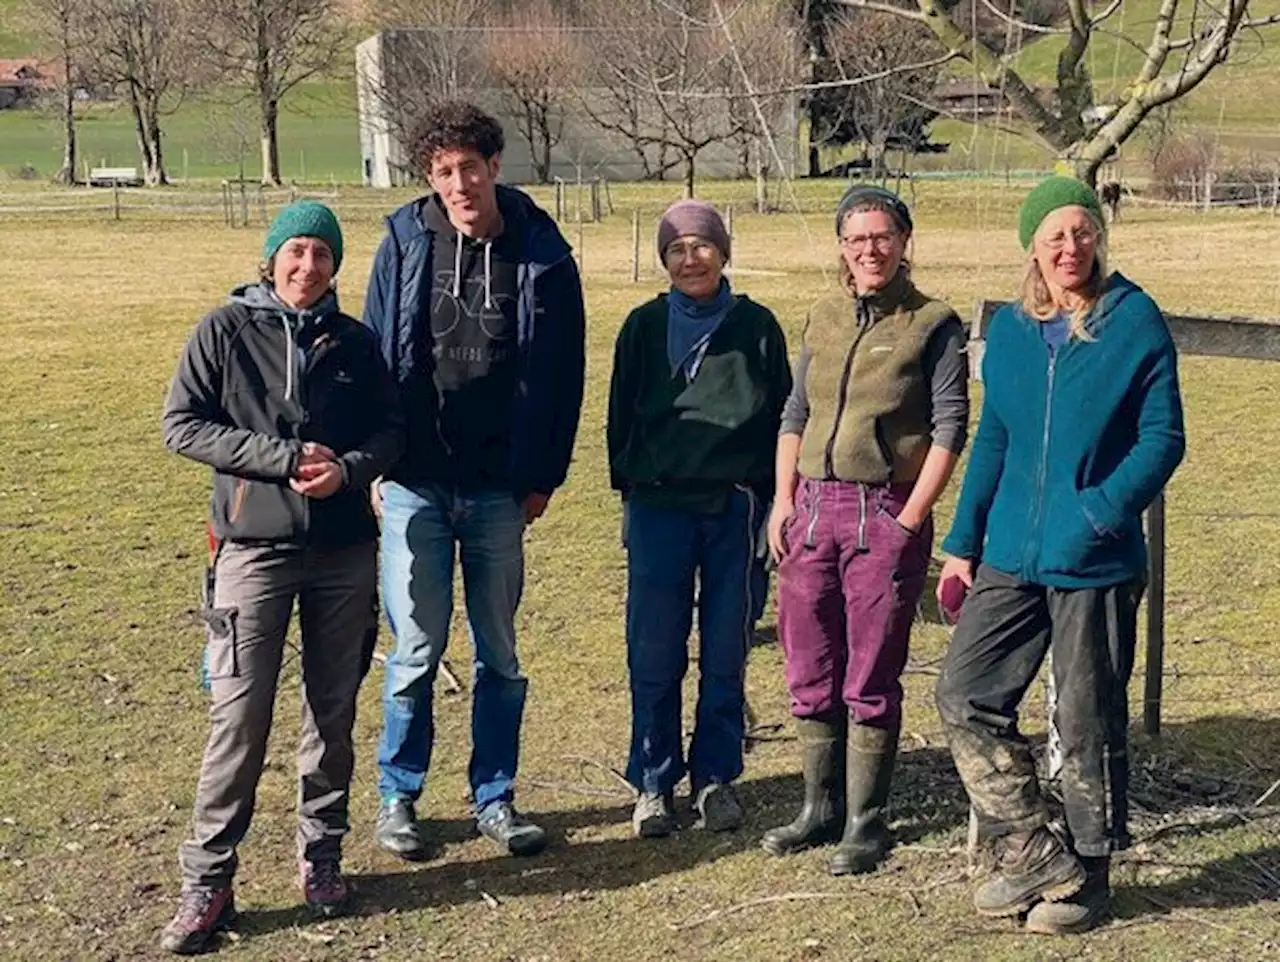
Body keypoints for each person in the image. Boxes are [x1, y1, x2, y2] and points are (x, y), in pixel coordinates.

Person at [934, 176, 1185, 934]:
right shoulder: (1011, 331)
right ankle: (1035, 851)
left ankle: (1089, 879)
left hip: (1095, 559)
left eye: (1081, 233)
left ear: (1098, 238)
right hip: (1011, 550)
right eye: (1054, 236)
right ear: (1032, 247)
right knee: (963, 695)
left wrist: (1101, 512)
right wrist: (961, 544)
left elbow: (1162, 438)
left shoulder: (1133, 321)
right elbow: (996, 441)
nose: (1069, 247)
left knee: (1086, 720)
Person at [159, 201, 405, 953]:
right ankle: (209, 878)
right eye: (296, 252)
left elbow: (391, 432)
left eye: (322, 255)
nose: (308, 267)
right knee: (239, 719)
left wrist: (347, 470)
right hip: (251, 551)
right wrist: (276, 460)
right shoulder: (224, 332)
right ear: (271, 258)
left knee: (331, 714)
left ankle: (321, 853)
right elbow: (182, 424)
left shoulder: (356, 344)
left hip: (342, 552)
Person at [364, 101, 586, 860]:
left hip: (500, 489)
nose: (458, 183)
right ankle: (400, 795)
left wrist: (544, 478)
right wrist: (373, 460)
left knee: (500, 653)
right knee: (415, 650)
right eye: (442, 172)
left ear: (495, 166)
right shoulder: (401, 241)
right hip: (415, 484)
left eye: (469, 168)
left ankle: (496, 795)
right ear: (429, 177)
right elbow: (373, 358)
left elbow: (566, 376)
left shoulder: (544, 251)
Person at [763, 186, 969, 875]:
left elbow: (950, 428)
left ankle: (866, 821)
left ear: (905, 240)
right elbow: (794, 412)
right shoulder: (821, 316)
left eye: (881, 236)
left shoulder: (932, 324)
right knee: (807, 663)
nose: (869, 250)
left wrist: (910, 518)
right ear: (841, 248)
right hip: (810, 510)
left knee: (871, 671)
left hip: (884, 508)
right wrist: (781, 501)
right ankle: (818, 807)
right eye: (855, 239)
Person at [607, 200, 791, 837]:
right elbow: (620, 418)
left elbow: (781, 422)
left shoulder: (758, 327)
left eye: (702, 245)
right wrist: (629, 494)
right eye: (677, 249)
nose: (691, 259)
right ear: (663, 259)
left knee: (726, 648)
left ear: (724, 251)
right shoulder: (640, 326)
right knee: (653, 650)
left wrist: (772, 504)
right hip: (659, 507)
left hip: (733, 510)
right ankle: (653, 781)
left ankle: (715, 777)